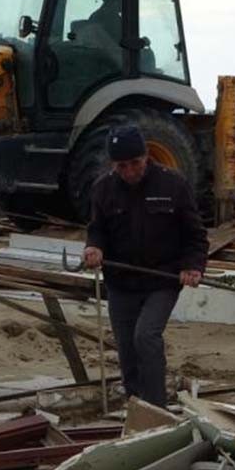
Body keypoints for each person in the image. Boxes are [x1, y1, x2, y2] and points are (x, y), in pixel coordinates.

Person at [82, 124, 207, 406]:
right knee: (126, 347)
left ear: (146, 156)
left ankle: (155, 406)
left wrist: (193, 266)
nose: (129, 171)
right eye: (121, 166)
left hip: (162, 279)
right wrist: (93, 246)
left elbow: (195, 234)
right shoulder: (103, 188)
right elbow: (97, 228)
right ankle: (136, 403)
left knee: (146, 336)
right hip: (120, 282)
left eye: (134, 163)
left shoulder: (173, 184)